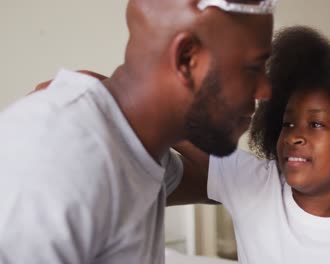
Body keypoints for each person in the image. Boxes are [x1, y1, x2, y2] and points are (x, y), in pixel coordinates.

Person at [0, 0, 275, 263]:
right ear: (186, 57)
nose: (265, 91)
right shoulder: (56, 159)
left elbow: (227, 183)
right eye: (252, 68)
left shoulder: (139, 150)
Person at [171, 26, 330, 263]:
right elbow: (175, 129)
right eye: (288, 123)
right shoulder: (258, 183)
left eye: (316, 124)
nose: (295, 136)